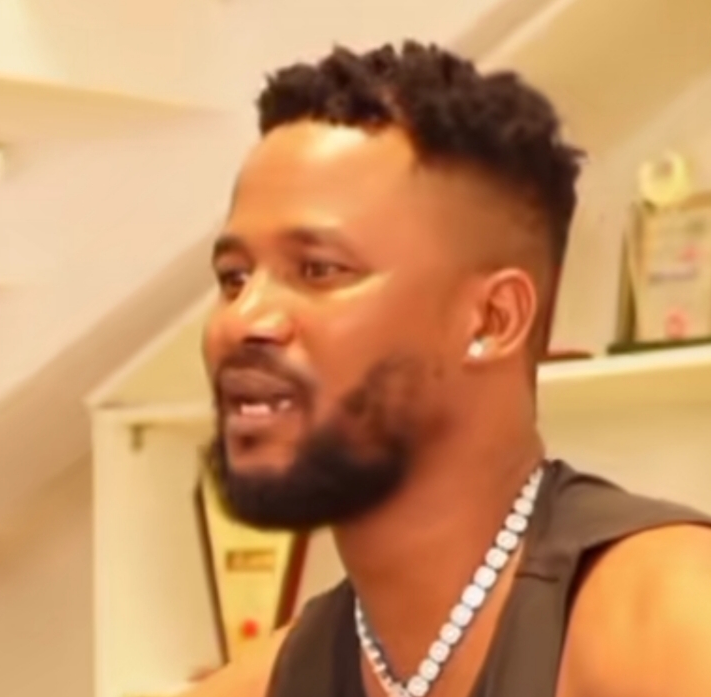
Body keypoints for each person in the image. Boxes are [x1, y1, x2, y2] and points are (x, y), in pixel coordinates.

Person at [191, 40, 711, 697]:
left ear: (493, 319)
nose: (242, 319)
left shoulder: (674, 625)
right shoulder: (260, 684)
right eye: (234, 277)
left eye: (319, 269)